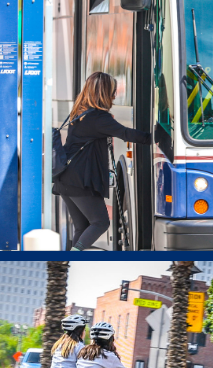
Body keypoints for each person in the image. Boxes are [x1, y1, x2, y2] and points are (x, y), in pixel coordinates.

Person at [52, 72, 153, 251]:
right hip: (80, 182)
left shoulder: (80, 112)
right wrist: (156, 138)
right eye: (112, 91)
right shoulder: (98, 118)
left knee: (82, 228)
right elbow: (126, 134)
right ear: (104, 93)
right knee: (100, 222)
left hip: (66, 179)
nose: (114, 96)